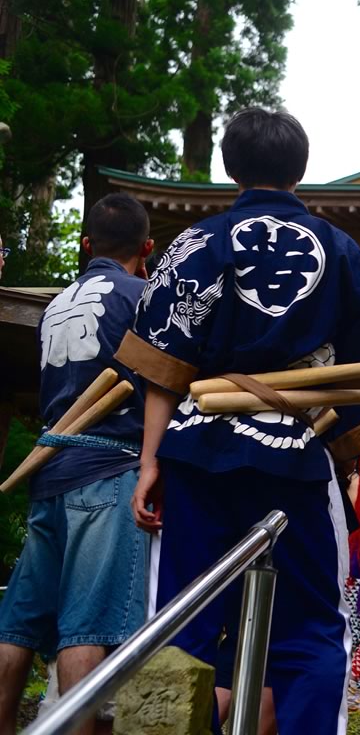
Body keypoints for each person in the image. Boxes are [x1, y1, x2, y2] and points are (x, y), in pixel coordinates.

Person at [118, 108, 360, 734]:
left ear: (231, 166)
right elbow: (358, 380)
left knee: (183, 623)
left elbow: (164, 369)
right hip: (294, 449)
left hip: (196, 449)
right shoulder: (343, 251)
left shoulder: (196, 243)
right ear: (299, 168)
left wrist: (150, 462)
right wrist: (343, 467)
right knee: (310, 631)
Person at [0, 194, 154, 735]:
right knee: (86, 624)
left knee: (18, 625)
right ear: (147, 248)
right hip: (105, 472)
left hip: (50, 471)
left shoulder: (56, 304)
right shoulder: (143, 295)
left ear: (87, 245)